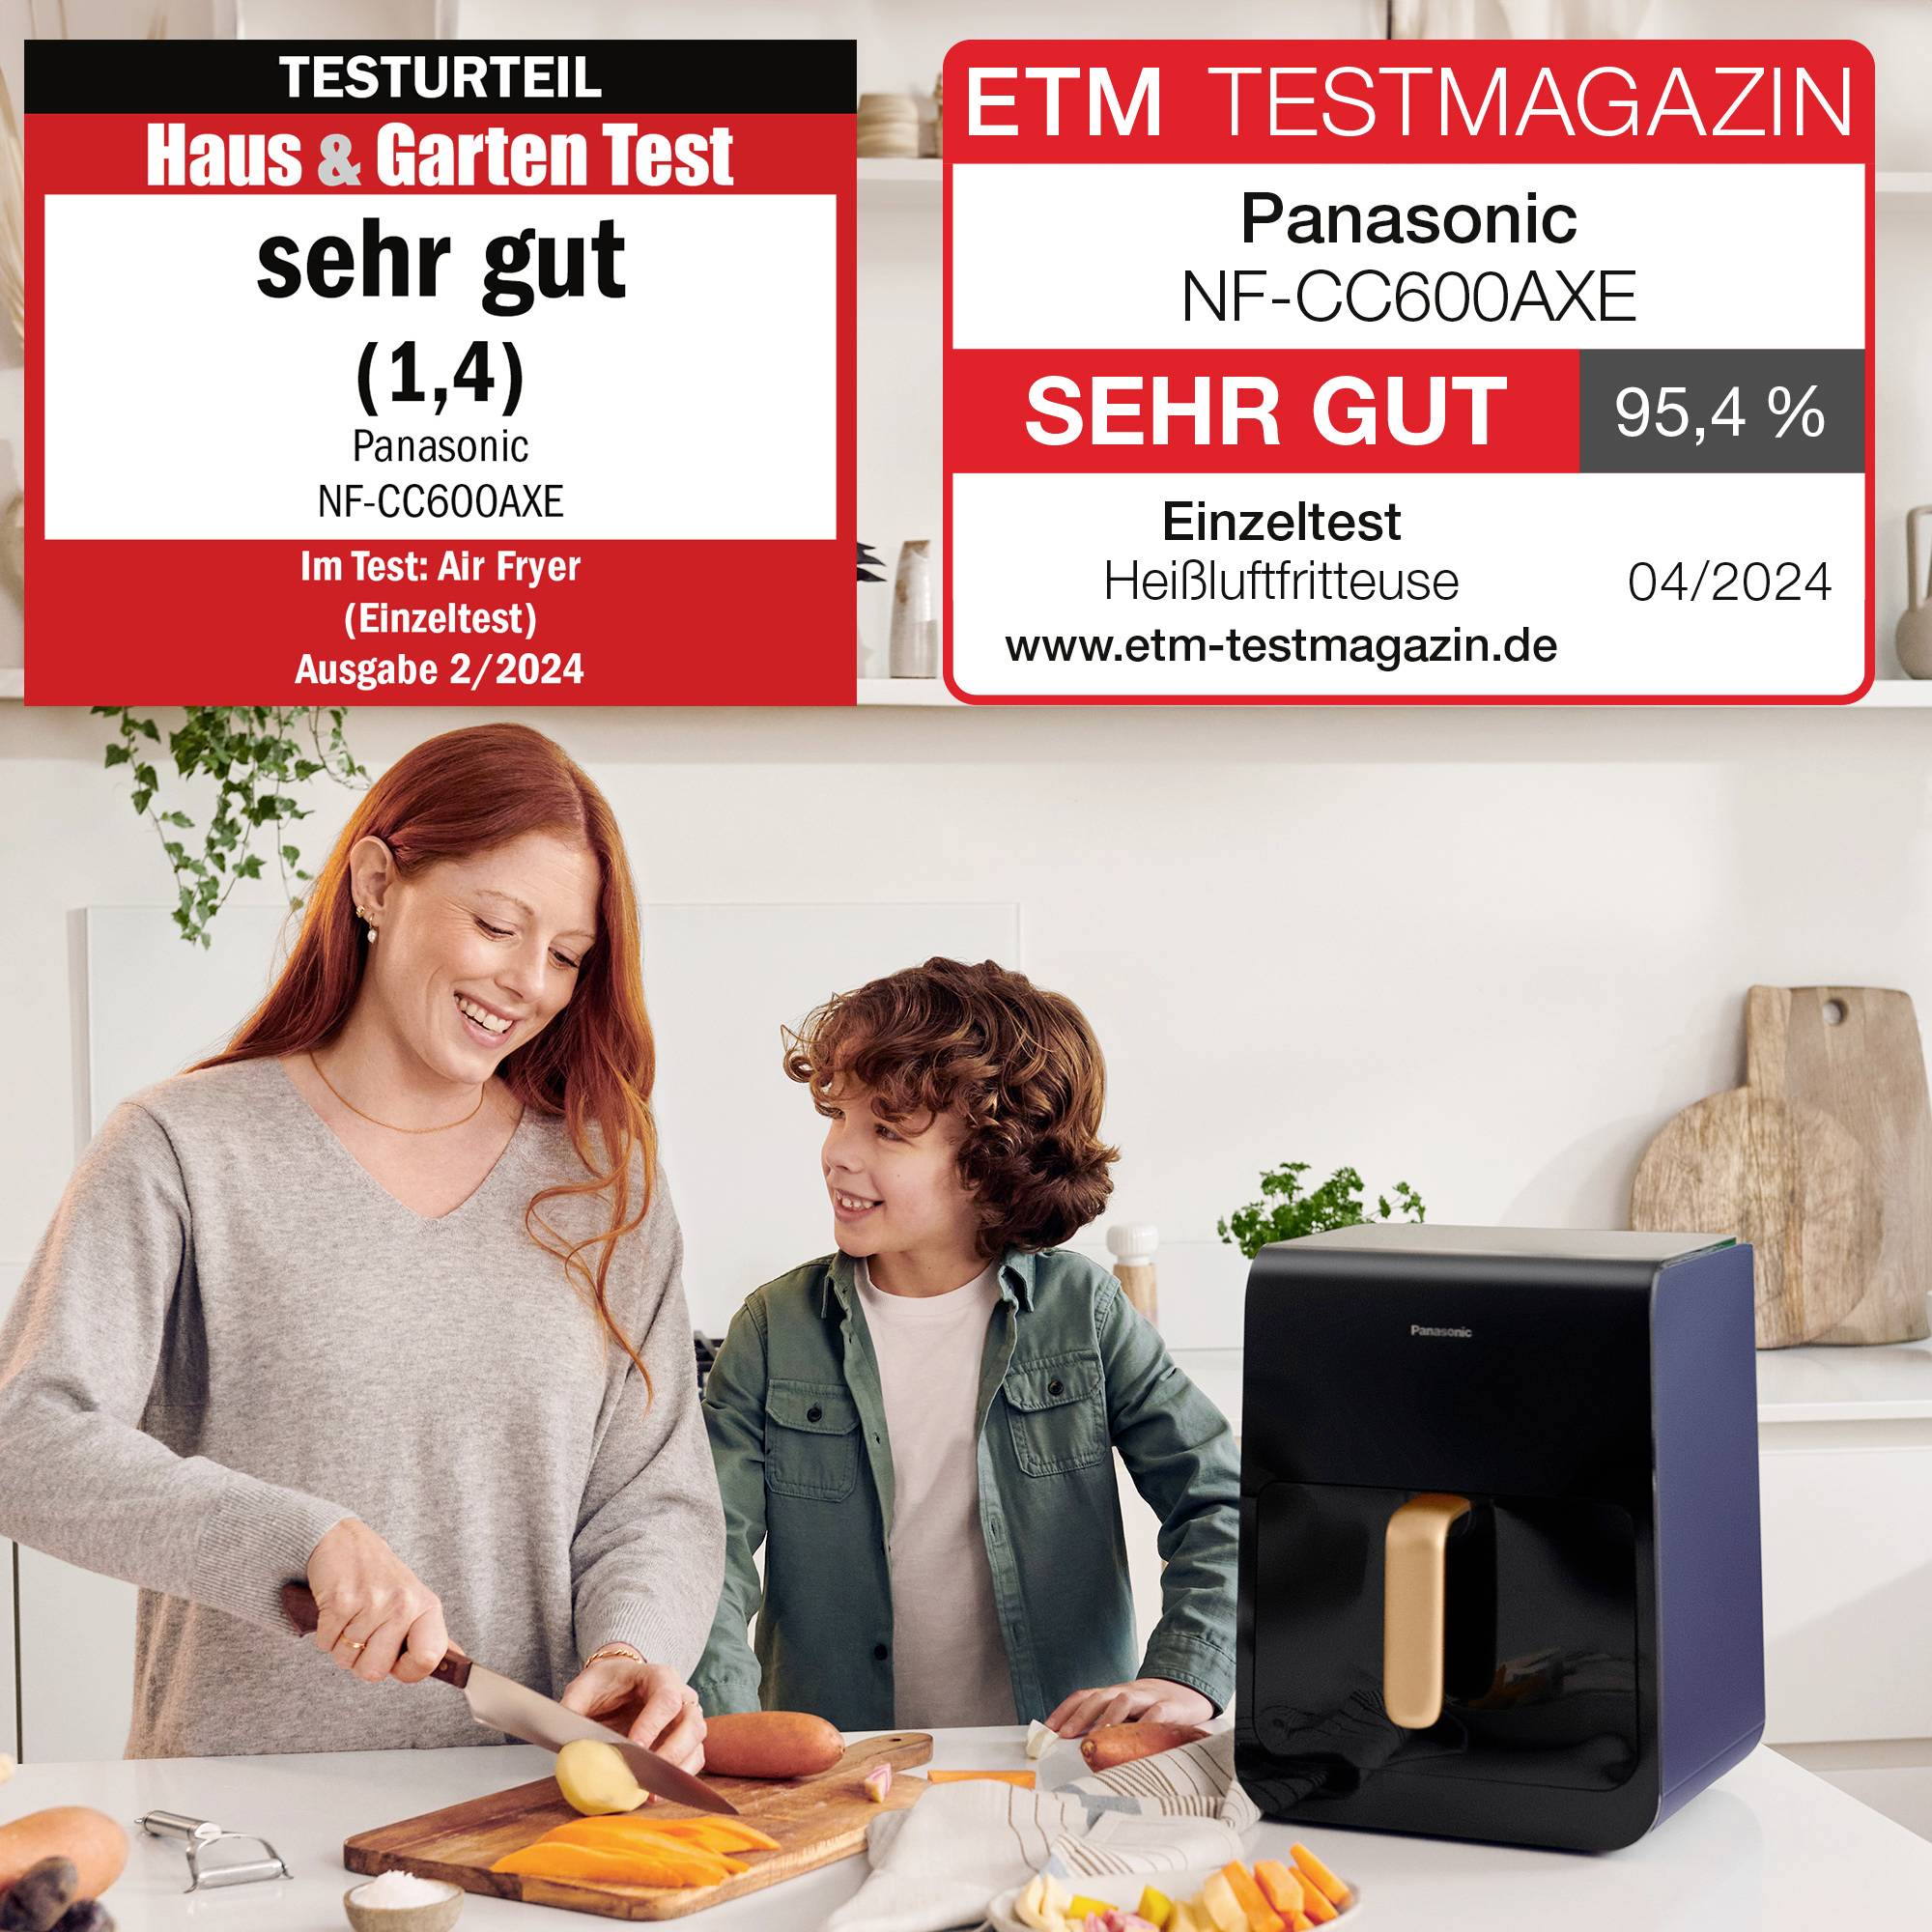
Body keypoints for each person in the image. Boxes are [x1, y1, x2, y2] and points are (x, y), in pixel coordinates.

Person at [0, 723, 724, 1761]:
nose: (528, 981)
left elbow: (653, 1492)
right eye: (495, 925)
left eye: (566, 955)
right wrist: (302, 1536)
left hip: (525, 1820)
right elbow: (26, 1442)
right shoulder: (183, 1147)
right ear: (377, 883)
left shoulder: (602, 1180)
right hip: (236, 1824)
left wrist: (627, 1644)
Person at [694, 956, 1238, 1738]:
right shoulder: (775, 1328)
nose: (839, 1153)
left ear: (991, 1163)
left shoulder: (1082, 1311)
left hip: (1050, 1764)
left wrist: (1185, 1675)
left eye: (885, 1129)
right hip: (843, 1768)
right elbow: (706, 1547)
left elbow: (1219, 1499)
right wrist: (725, 1723)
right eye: (837, 1116)